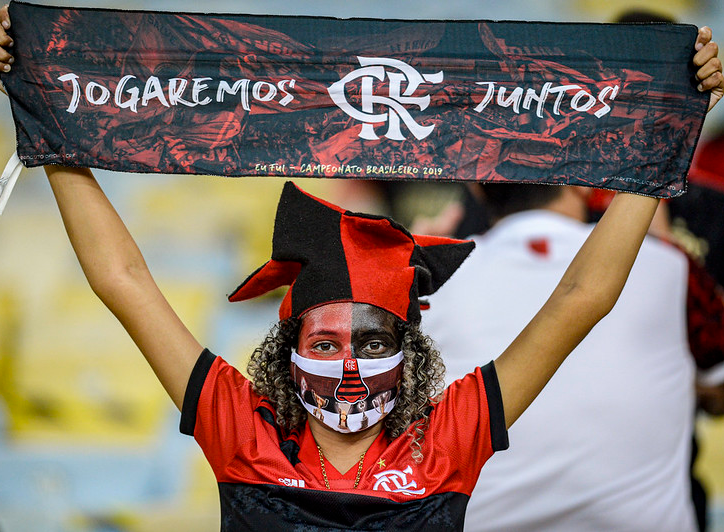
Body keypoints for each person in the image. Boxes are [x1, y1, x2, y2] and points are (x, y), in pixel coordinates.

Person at [1, 6, 723, 530]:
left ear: (409, 353)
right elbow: (121, 277)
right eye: (326, 342)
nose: (349, 365)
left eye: (375, 341)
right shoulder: (238, 426)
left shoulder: (449, 433)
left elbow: (584, 296)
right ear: (287, 355)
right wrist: (44, 116)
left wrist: (657, 137)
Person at [423, 181, 724, 531]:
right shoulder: (670, 265)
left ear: (477, 188)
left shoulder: (426, 280)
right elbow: (717, 387)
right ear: (584, 185)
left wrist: (401, 263)